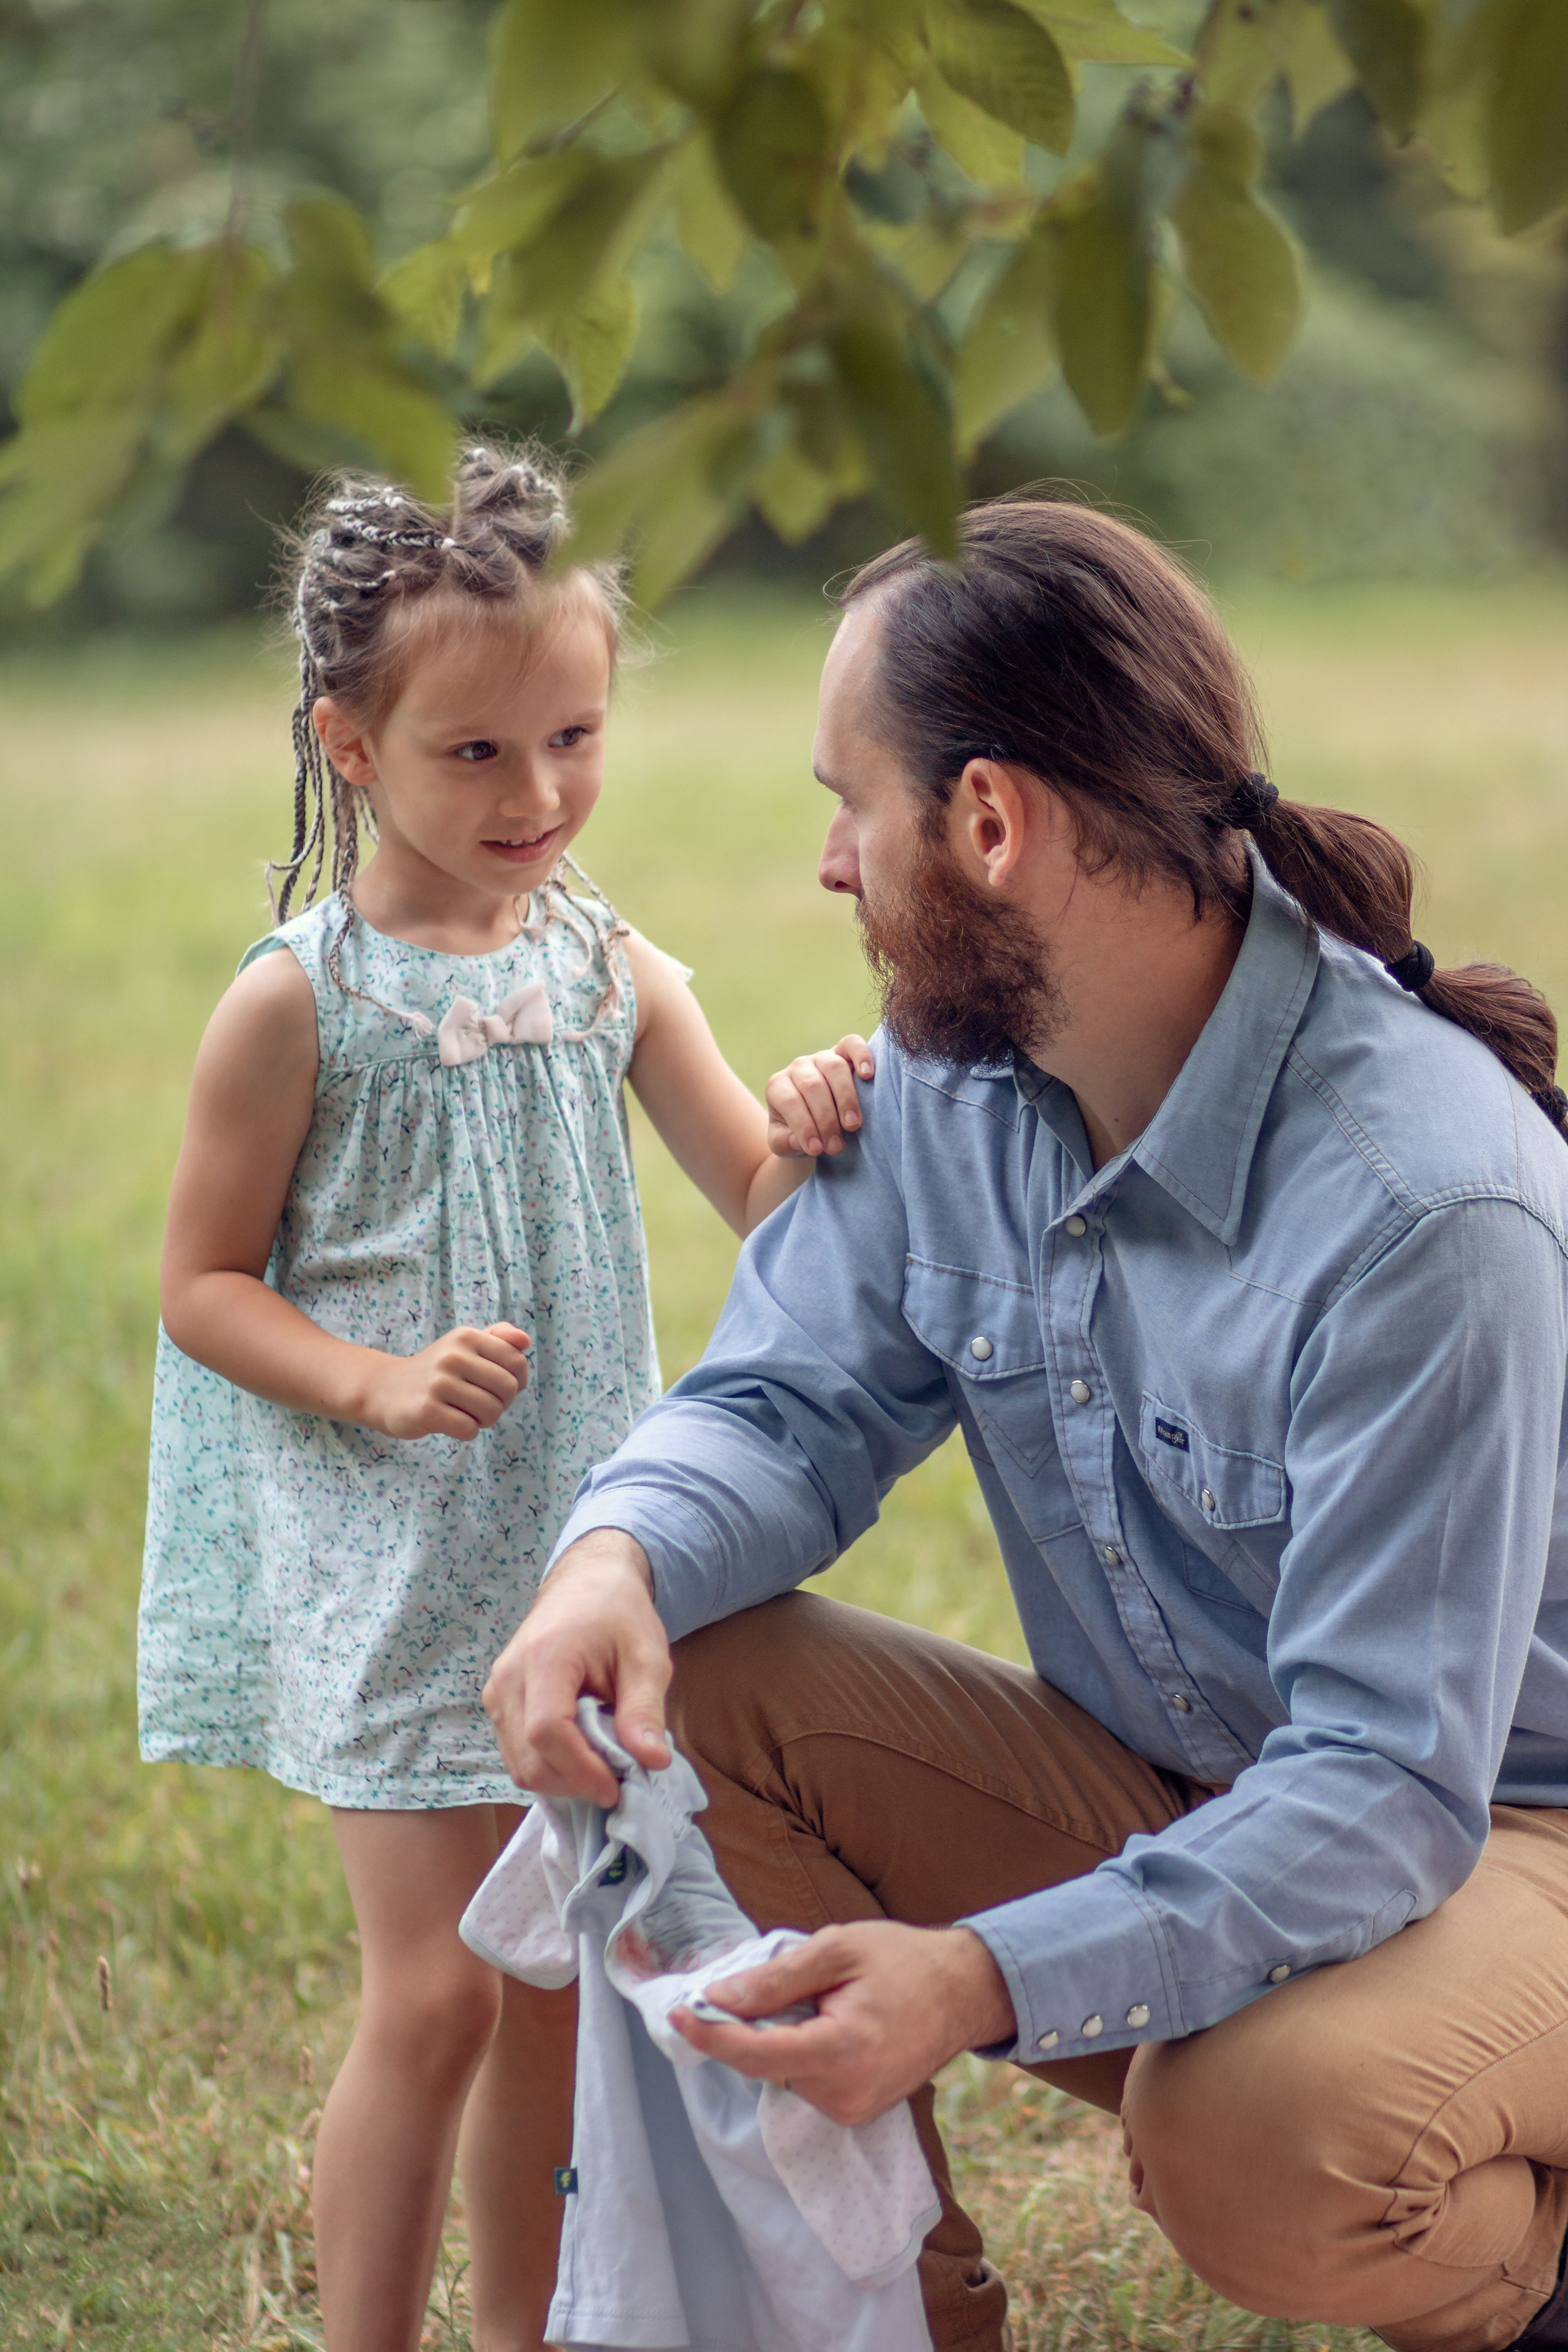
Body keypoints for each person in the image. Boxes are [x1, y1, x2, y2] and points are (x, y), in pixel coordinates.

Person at [483, 497, 1568, 2352]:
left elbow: (1388, 1784)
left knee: (1257, 2138)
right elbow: (789, 1395)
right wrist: (611, 1553)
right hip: (1210, 1790)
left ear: (989, 824)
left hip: (1498, 1827)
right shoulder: (957, 1073)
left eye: (854, 801)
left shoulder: (1424, 1209)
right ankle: (904, 2322)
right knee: (697, 1684)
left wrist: (985, 1975)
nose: (833, 863)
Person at [137, 443, 870, 2352]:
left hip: (571, 1555)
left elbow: (764, 1202)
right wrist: (373, 1383)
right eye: (476, 753)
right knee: (439, 1993)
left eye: (574, 736)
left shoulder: (610, 967)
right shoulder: (297, 1002)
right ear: (352, 744)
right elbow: (200, 1283)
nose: (537, 795)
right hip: (386, 1562)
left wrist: (815, 1119)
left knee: (554, 1973)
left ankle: (527, 2332)